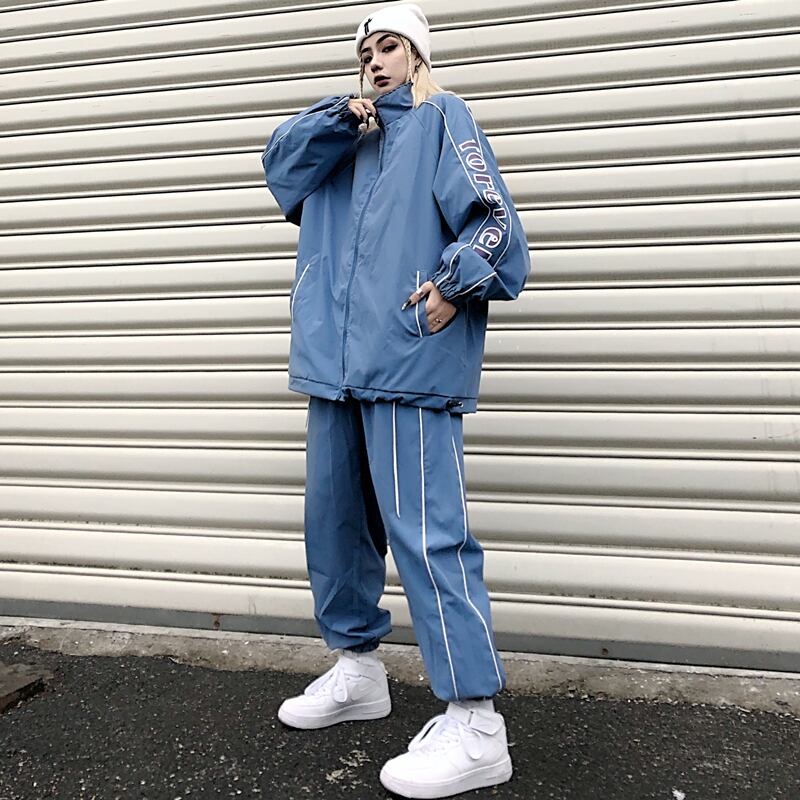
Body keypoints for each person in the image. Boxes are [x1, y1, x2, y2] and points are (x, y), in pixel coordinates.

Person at [261, 4, 530, 797]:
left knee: (428, 534)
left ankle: (477, 723)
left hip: (409, 359)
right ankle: (358, 671)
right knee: (334, 524)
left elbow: (497, 227)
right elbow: (280, 170)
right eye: (365, 52)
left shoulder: (443, 118)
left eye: (390, 47)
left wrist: (452, 286)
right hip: (334, 364)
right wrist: (338, 118)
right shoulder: (342, 135)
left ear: (418, 55)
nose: (375, 61)